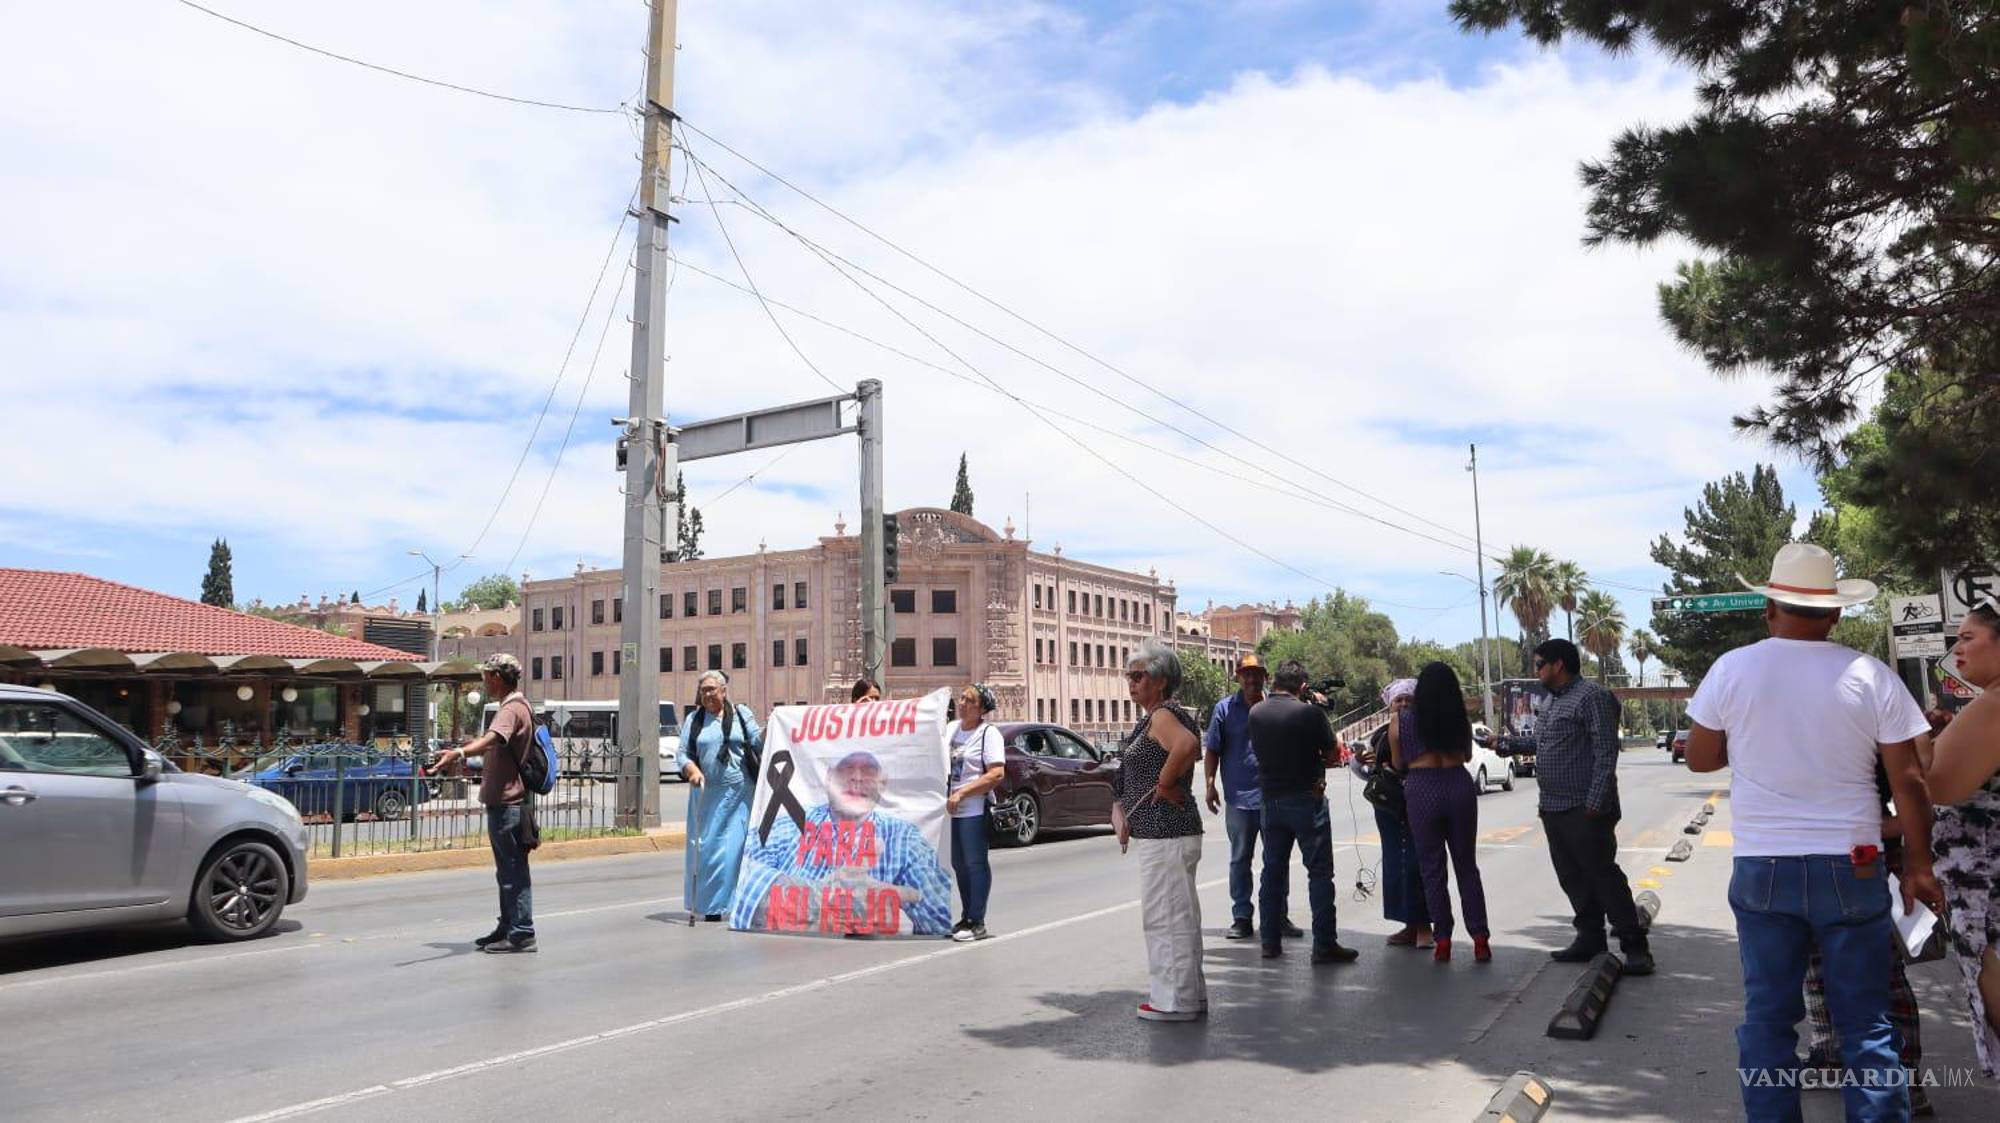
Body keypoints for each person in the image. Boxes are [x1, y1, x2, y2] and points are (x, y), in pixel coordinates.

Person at [1684, 542, 1940, 1121]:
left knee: (1769, 1020)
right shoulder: (1869, 675)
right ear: (1836, 614)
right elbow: (1910, 779)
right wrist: (1920, 867)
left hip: (1763, 868)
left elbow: (1700, 759)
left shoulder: (1732, 668)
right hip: (1852, 865)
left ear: (1769, 607)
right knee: (1866, 1023)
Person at [1800, 759, 1931, 1115]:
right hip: (1832, 854)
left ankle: (1903, 1076)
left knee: (1877, 970)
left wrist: (1870, 830)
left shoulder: (1875, 707)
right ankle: (1833, 1057)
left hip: (1858, 856)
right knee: (1820, 965)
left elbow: (1917, 786)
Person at [731, 750, 954, 936]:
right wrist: (818, 899)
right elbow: (743, 879)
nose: (857, 777)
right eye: (847, 768)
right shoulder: (788, 826)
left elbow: (937, 917)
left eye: (869, 770)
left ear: (883, 782)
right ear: (828, 777)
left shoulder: (904, 839)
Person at [1532, 637, 1652, 974]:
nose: (1536, 670)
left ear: (1558, 665)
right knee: (1571, 876)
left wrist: (1596, 800)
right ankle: (1590, 938)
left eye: (1540, 663)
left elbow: (1605, 751)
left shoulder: (1592, 697)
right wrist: (1506, 744)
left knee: (1602, 876)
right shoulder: (1552, 702)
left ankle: (1635, 946)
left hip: (1585, 808)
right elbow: (1544, 742)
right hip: (1553, 807)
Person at [1924, 597, 2000, 1078]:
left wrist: (1912, 744)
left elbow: (1937, 784)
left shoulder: (1994, 705)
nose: (1957, 651)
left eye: (1969, 637)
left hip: (1989, 892)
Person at [1114, 639, 1208, 1022]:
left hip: (1167, 833)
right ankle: (1188, 995)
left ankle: (1174, 1001)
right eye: (1129, 676)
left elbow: (1188, 746)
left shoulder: (1163, 716)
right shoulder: (1159, 715)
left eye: (1139, 675)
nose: (1131, 683)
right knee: (1178, 916)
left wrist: (1166, 784)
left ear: (1161, 680)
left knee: (1165, 918)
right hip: (1167, 833)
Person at [1248, 658, 1360, 965]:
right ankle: (1324, 944)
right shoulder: (1311, 713)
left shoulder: (1255, 712)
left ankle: (1270, 942)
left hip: (1270, 801)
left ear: (1274, 683)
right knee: (1320, 873)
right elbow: (1332, 752)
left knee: (1272, 873)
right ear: (1303, 686)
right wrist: (1318, 710)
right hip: (1306, 799)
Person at [429, 654, 537, 954]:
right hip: (507, 802)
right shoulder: (515, 705)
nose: (484, 681)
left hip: (508, 803)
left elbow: (492, 739)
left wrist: (458, 754)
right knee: (507, 870)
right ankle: (508, 926)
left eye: (486, 676)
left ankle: (521, 932)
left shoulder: (512, 708)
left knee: (513, 870)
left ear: (498, 678)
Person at [1389, 662, 1490, 964]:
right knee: (1466, 867)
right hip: (1458, 786)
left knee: (1432, 869)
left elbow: (1398, 764)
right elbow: (1469, 756)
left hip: (1421, 788)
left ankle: (1443, 939)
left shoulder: (1402, 720)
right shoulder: (1460, 720)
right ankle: (1480, 938)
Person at [1203, 655, 1300, 942]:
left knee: (1276, 860)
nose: (1251, 679)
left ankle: (1278, 916)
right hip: (1238, 798)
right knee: (1240, 860)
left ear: (1265, 677)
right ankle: (1242, 917)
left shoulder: (1275, 707)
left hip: (1274, 796)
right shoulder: (1224, 709)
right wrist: (1210, 784)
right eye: (1246, 674)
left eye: (1256, 674)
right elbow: (1212, 750)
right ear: (1237, 677)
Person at [679, 670, 762, 922]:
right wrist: (691, 769)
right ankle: (710, 907)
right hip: (706, 795)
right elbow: (683, 753)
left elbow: (758, 743)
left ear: (724, 691)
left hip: (739, 794)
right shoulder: (694, 719)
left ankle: (737, 905)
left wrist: (776, 727)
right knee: (706, 852)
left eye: (711, 689)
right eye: (703, 690)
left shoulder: (741, 715)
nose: (707, 694)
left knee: (733, 852)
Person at [1357, 680, 1431, 948]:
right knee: (1396, 866)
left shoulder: (1425, 730)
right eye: (1398, 700)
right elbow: (1371, 772)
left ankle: (1425, 927)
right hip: (1389, 809)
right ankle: (1409, 925)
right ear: (1390, 704)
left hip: (1417, 803)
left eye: (1408, 699)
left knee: (1416, 864)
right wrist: (1359, 762)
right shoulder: (1380, 734)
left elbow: (1403, 765)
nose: (1403, 704)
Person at [946, 683, 1008, 942]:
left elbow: (996, 773)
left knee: (975, 863)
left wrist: (963, 793)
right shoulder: (951, 730)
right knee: (959, 864)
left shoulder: (988, 734)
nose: (962, 703)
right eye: (961, 698)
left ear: (981, 708)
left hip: (973, 807)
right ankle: (966, 915)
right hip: (951, 809)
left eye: (969, 701)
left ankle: (977, 920)